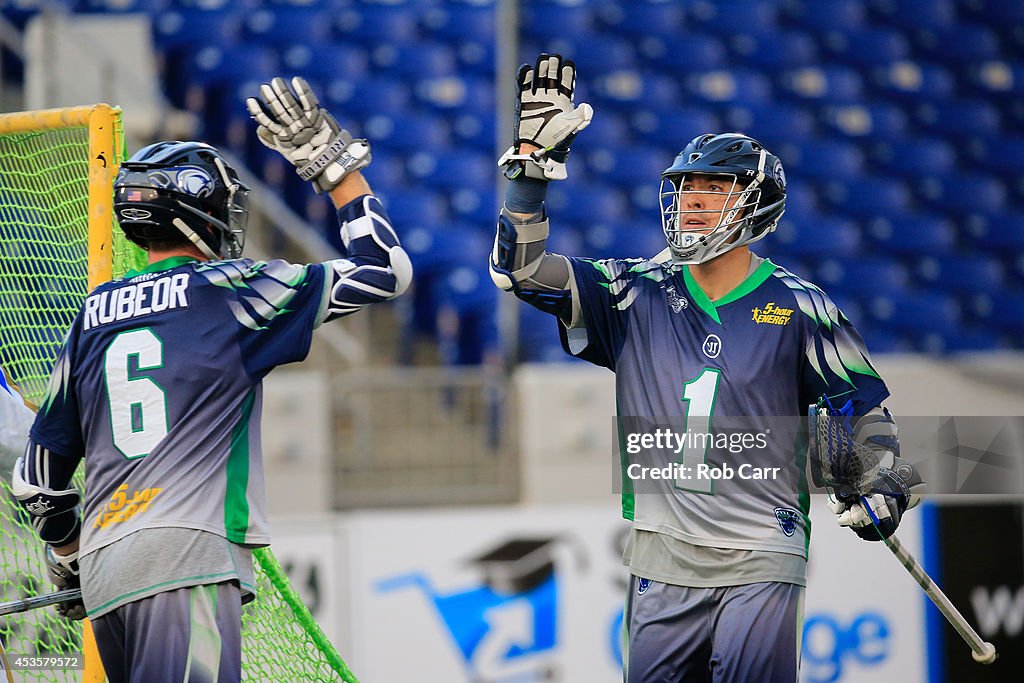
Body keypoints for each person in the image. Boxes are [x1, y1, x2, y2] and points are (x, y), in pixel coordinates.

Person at [489, 53, 925, 682]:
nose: (693, 200)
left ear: (756, 205)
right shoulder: (630, 291)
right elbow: (520, 271)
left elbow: (856, 409)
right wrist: (530, 170)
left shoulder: (802, 307)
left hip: (761, 552)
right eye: (688, 187)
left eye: (713, 188)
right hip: (660, 558)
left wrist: (874, 478)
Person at [10, 76, 411, 682]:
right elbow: (386, 270)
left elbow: (37, 479)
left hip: (107, 573)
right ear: (200, 215)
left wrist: (68, 558)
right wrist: (335, 170)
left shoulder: (92, 313)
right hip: (186, 557)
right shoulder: (230, 290)